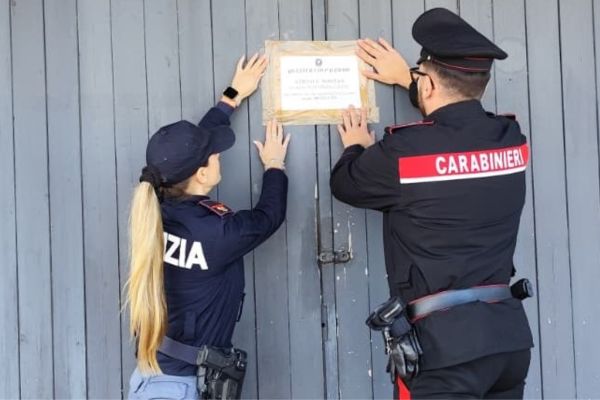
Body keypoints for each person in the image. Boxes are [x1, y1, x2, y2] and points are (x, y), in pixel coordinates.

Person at [330, 8, 533, 399]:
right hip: (507, 341)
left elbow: (346, 184)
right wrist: (411, 79)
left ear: (427, 84)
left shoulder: (404, 153)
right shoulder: (509, 137)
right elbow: (459, 122)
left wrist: (355, 145)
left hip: (444, 350)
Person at [125, 53, 291, 400]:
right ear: (201, 174)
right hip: (179, 390)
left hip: (156, 379)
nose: (218, 156)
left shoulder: (157, 203)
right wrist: (275, 164)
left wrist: (231, 96)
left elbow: (187, 148)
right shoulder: (215, 232)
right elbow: (268, 217)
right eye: (214, 155)